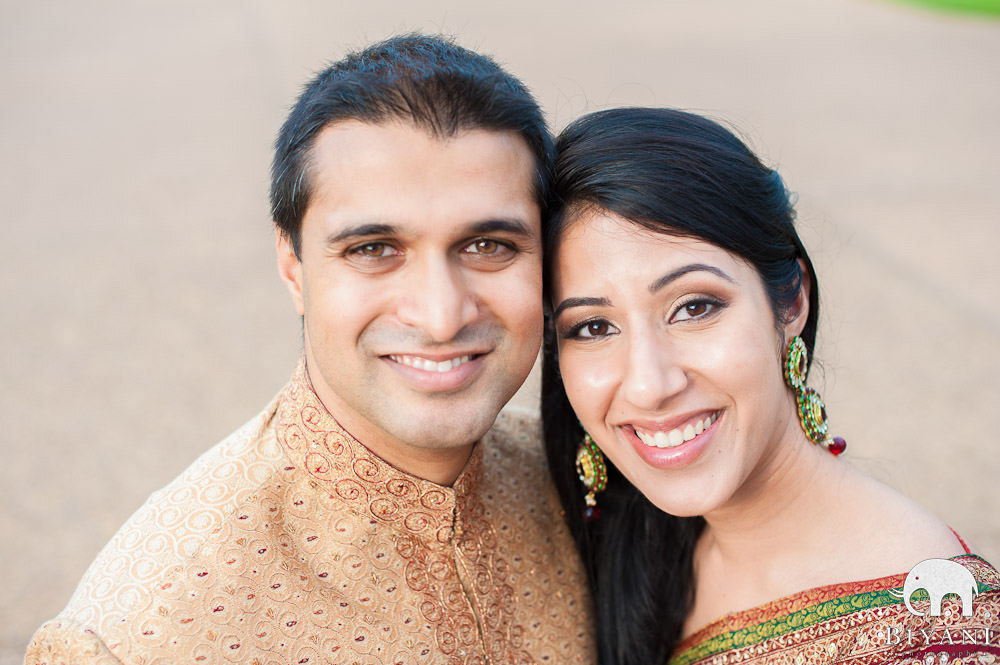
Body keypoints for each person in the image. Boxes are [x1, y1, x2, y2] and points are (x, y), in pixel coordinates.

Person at [27, 35, 595, 665]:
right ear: (292, 266)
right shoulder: (141, 635)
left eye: (487, 245)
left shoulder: (580, 480)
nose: (440, 316)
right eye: (375, 249)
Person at [541, 107, 1000, 665]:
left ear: (791, 302)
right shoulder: (643, 547)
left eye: (694, 307)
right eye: (593, 327)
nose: (649, 385)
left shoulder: (926, 624)